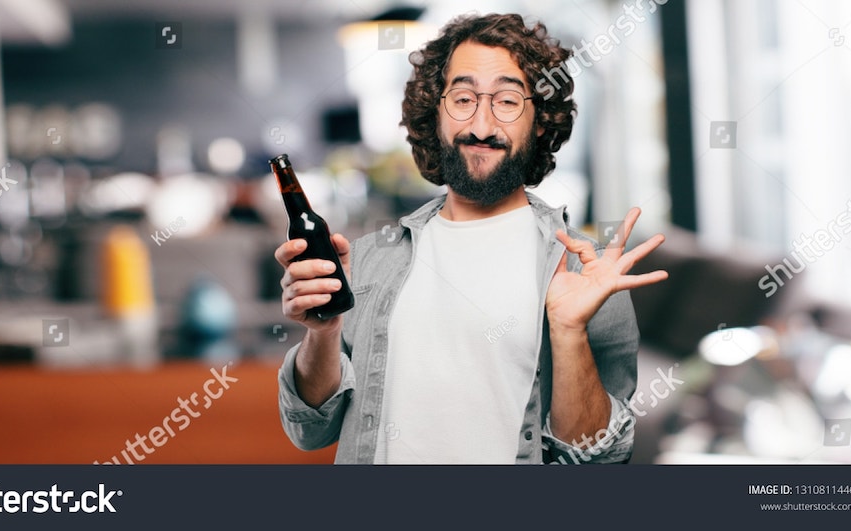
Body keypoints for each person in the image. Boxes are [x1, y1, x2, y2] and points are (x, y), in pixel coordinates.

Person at [274, 13, 667, 464]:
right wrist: (323, 334)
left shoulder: (587, 273)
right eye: (462, 98)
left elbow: (600, 462)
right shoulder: (367, 261)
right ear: (436, 114)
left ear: (539, 120)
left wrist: (569, 330)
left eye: (506, 100)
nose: (481, 125)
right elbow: (311, 431)